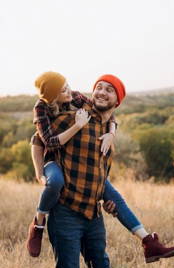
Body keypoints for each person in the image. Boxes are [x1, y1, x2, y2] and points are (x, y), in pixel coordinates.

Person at [30, 74, 174, 268]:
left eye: (109, 90)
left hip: (93, 214)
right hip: (66, 213)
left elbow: (98, 172)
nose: (101, 92)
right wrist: (40, 173)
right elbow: (38, 139)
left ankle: (149, 242)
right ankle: (38, 223)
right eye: (98, 87)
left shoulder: (107, 129)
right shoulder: (75, 117)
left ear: (117, 101)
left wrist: (112, 132)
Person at [26, 71, 117, 257]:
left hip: (70, 156)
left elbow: (105, 113)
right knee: (56, 182)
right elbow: (46, 141)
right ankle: (38, 222)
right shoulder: (41, 108)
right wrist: (77, 126)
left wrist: (111, 133)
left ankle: (146, 239)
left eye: (67, 85)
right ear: (52, 97)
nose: (69, 91)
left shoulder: (75, 97)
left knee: (109, 190)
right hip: (52, 157)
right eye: (62, 90)